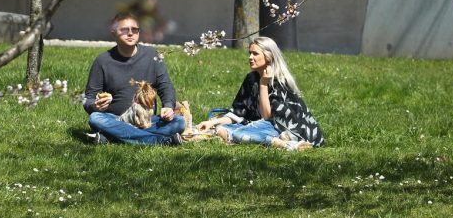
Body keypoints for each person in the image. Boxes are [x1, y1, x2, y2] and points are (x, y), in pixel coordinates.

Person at [195, 36, 324, 150]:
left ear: (268, 57)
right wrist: (211, 123)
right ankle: (268, 140)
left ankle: (287, 145)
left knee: (238, 133)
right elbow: (238, 112)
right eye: (250, 53)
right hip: (263, 126)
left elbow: (267, 116)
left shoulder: (279, 81)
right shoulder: (251, 78)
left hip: (287, 130)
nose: (250, 57)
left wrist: (263, 84)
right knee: (220, 129)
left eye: (255, 54)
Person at [83, 11, 185, 145]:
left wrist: (168, 106)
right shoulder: (102, 61)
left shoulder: (152, 55)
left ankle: (114, 136)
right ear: (113, 32)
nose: (130, 33)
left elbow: (165, 85)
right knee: (96, 119)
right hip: (116, 119)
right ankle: (159, 140)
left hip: (146, 120)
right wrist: (95, 106)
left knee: (179, 122)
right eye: (124, 30)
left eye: (135, 30)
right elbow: (88, 98)